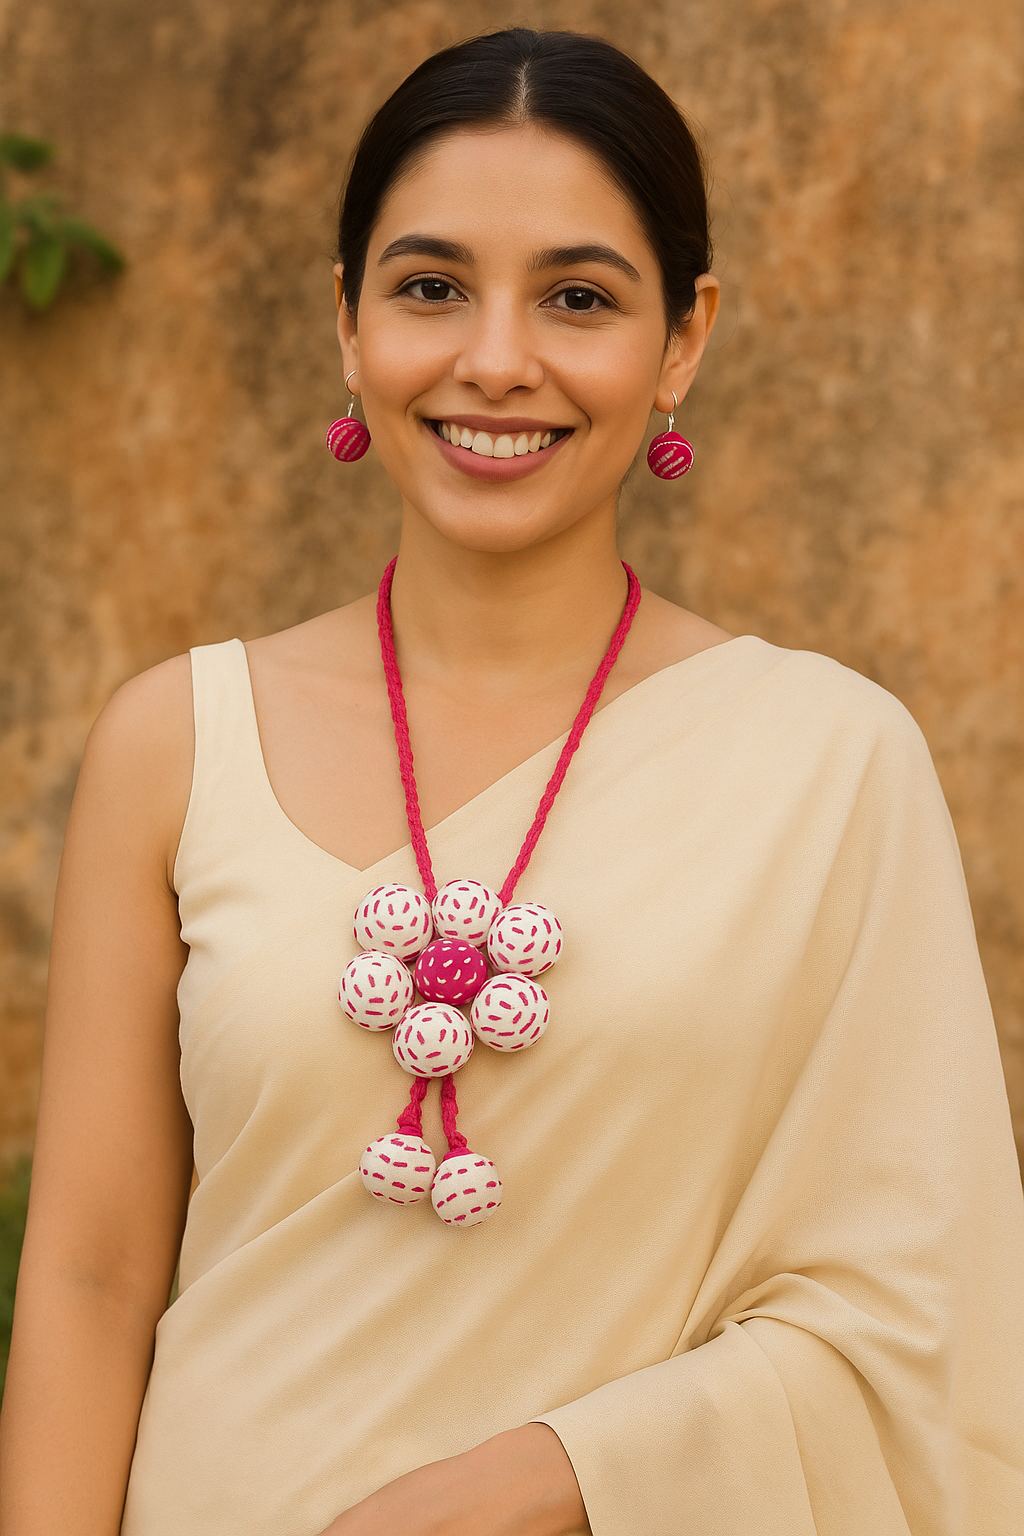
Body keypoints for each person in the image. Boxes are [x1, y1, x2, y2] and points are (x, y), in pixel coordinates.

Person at [1, 25, 1022, 1536]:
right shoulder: (179, 740)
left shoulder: (829, 763)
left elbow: (922, 1324)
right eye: (429, 288)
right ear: (346, 322)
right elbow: (89, 1277)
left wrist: (525, 1488)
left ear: (684, 336)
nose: (495, 358)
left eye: (577, 298)